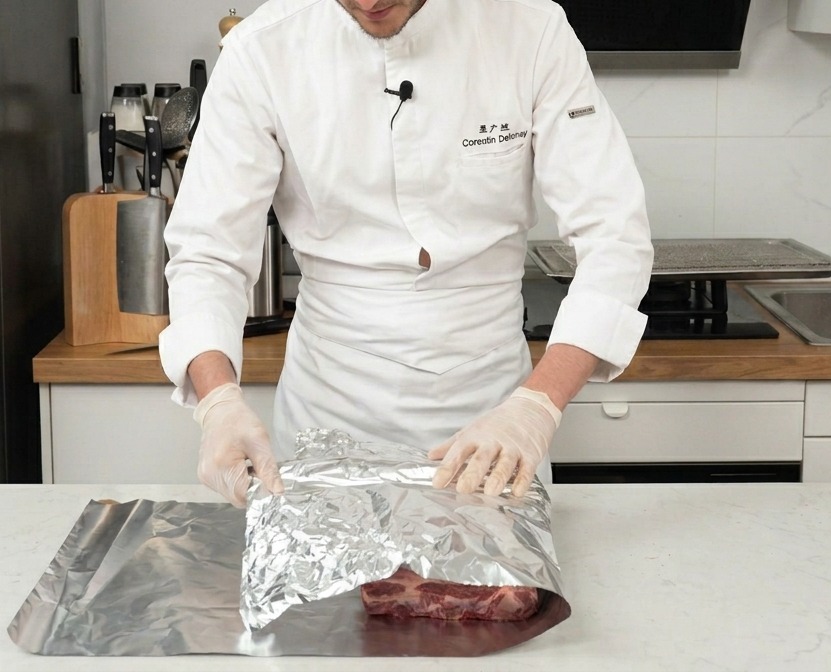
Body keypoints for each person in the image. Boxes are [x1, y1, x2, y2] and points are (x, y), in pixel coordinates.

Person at [160, 0, 654, 507]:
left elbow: (614, 236)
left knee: (493, 588)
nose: (371, 3)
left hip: (492, 412)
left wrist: (536, 406)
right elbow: (207, 252)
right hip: (327, 412)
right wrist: (218, 401)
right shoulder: (261, 49)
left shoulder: (530, 29)